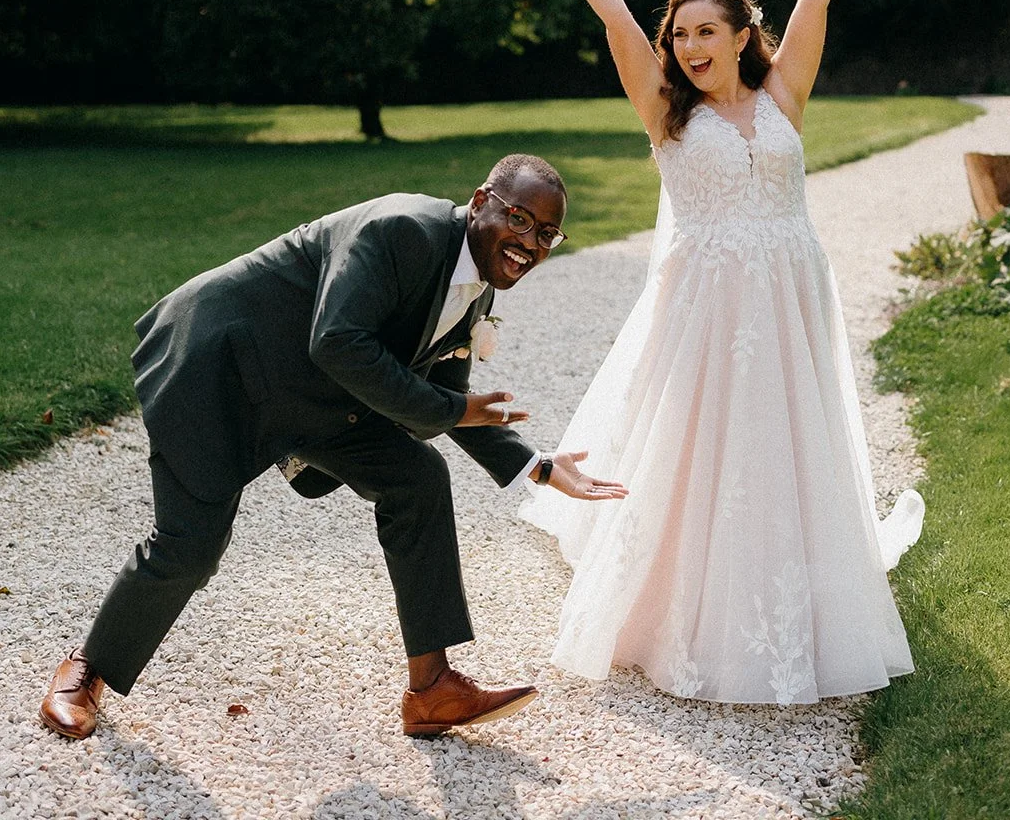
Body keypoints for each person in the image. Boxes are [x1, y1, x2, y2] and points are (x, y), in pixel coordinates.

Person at [39, 154, 627, 741]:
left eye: (547, 233)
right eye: (520, 219)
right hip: (220, 367)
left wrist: (538, 465)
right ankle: (85, 669)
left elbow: (450, 396)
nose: (530, 242)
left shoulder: (476, 291)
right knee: (190, 545)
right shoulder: (403, 230)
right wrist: (450, 409)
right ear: (480, 203)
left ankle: (432, 689)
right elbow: (339, 340)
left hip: (314, 393)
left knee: (417, 477)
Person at [511, 0, 924, 706]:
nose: (689, 46)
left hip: (790, 292)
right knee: (699, 441)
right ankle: (681, 598)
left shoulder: (783, 94)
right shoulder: (666, 110)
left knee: (789, 433)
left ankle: (803, 575)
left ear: (741, 36)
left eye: (706, 32)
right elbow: (615, 20)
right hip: (707, 303)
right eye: (679, 35)